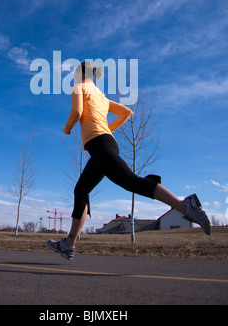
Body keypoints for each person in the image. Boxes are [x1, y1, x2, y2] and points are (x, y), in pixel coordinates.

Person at [48, 61, 211, 260]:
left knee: (130, 181)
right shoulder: (101, 96)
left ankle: (184, 206)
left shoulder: (78, 87)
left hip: (99, 145)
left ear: (81, 73)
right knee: (81, 190)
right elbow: (127, 112)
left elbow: (77, 112)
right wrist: (108, 131)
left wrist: (67, 128)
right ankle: (68, 244)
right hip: (105, 144)